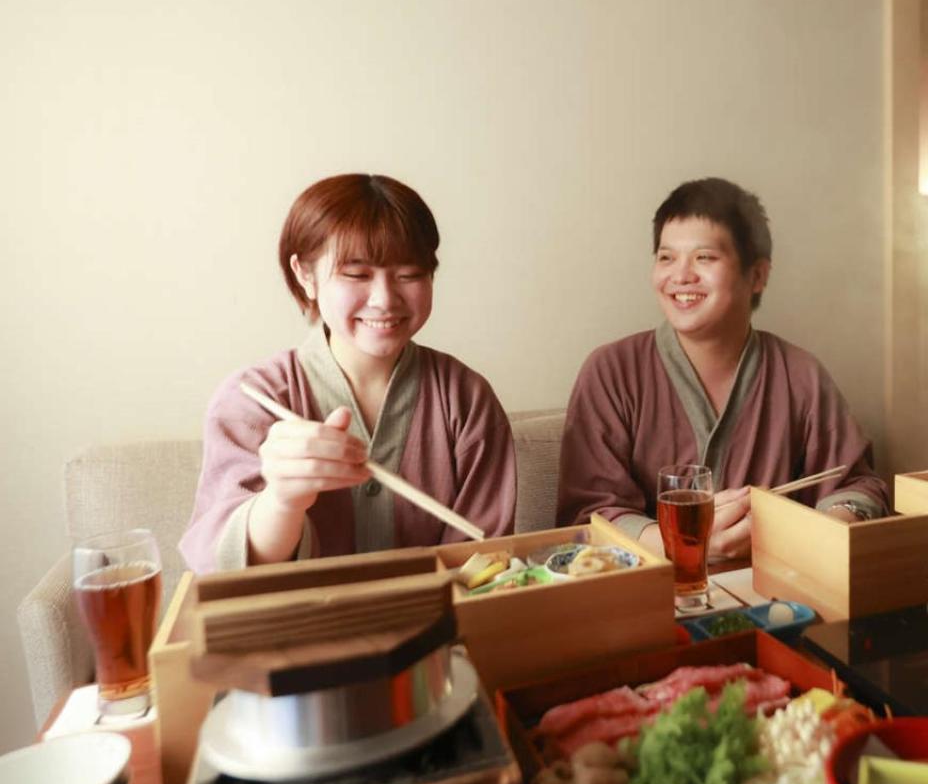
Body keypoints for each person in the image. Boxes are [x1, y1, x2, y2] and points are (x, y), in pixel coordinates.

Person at [180, 174, 516, 573]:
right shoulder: (251, 399)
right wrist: (282, 501)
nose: (385, 299)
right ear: (305, 275)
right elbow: (224, 570)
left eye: (409, 274)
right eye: (357, 275)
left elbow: (484, 566)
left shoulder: (466, 398)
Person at [556, 177, 888, 564]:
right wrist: (680, 543)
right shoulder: (611, 372)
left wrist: (826, 526)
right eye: (666, 257)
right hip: (648, 589)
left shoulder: (800, 375)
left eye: (704, 257)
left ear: (758, 275)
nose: (681, 276)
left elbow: (856, 484)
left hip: (774, 585)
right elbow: (588, 514)